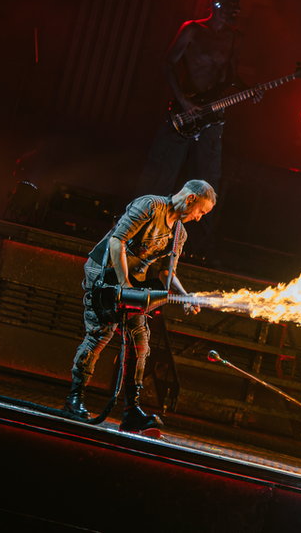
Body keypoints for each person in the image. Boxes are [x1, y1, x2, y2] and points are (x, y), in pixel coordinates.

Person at [63, 179, 216, 434]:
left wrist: (185, 296)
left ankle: (131, 411)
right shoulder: (149, 205)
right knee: (100, 334)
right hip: (105, 274)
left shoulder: (180, 233)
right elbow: (117, 242)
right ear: (190, 199)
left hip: (133, 285)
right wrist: (124, 285)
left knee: (139, 343)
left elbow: (168, 270)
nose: (199, 218)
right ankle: (74, 400)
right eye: (201, 211)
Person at [136, 0, 258, 257]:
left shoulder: (233, 39)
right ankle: (140, 231)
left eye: (235, 9)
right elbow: (168, 63)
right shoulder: (192, 29)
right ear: (215, 6)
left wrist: (249, 89)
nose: (232, 14)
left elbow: (231, 76)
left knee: (208, 182)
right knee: (161, 174)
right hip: (183, 115)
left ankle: (198, 247)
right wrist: (183, 100)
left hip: (212, 118)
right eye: (228, 8)